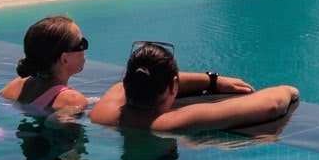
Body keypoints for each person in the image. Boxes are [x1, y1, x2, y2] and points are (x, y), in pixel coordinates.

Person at [88, 40, 299, 135]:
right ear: (173, 86)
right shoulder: (170, 123)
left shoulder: (102, 112)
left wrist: (212, 81)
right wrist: (288, 89)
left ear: (126, 80)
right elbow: (271, 106)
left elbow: (127, 82)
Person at [0, 15, 93, 117]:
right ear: (64, 58)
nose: (84, 50)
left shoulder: (17, 84)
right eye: (81, 44)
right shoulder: (72, 101)